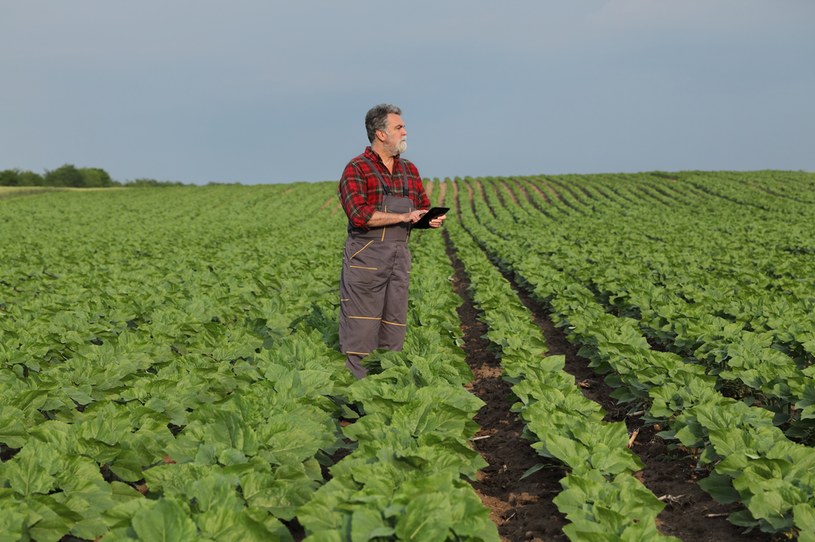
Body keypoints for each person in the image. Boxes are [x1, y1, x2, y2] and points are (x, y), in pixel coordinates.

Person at [337, 104, 445, 378]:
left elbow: (420, 206)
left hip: (398, 260)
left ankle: (386, 392)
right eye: (399, 127)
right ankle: (359, 400)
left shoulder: (409, 170)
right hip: (366, 260)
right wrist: (403, 216)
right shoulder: (357, 169)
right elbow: (360, 215)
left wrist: (426, 218)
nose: (405, 131)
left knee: (393, 329)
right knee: (361, 331)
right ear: (380, 134)